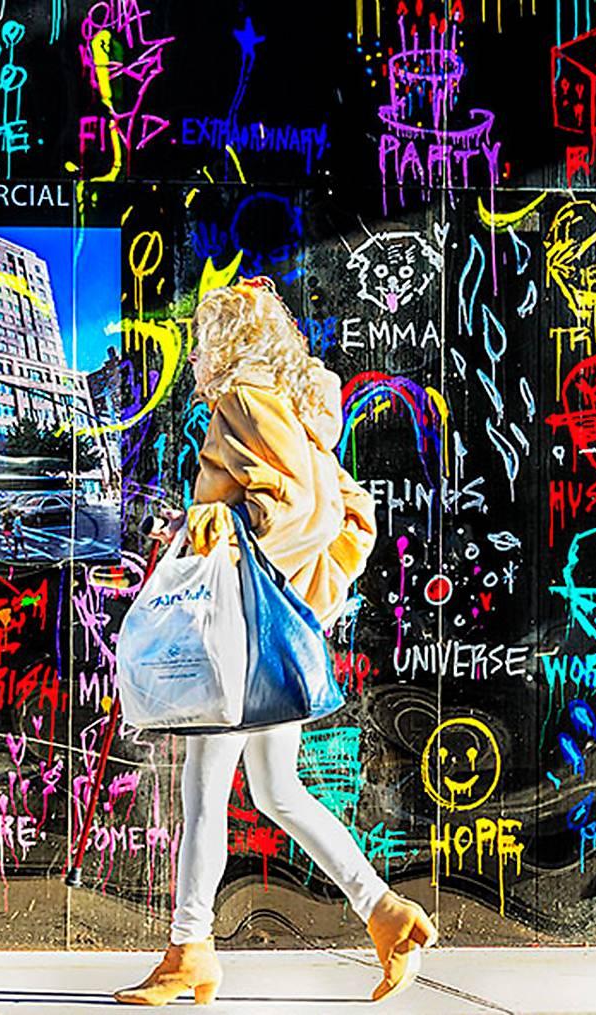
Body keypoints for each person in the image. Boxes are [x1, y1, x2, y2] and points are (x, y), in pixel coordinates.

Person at [115, 278, 437, 1006]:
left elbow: (288, 506)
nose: (197, 348)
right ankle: (385, 913)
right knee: (275, 787)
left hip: (244, 635)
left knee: (205, 794)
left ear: (228, 337)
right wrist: (300, 592)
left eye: (206, 332)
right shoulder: (300, 409)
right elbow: (352, 514)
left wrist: (222, 534)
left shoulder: (245, 397)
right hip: (277, 627)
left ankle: (188, 951)